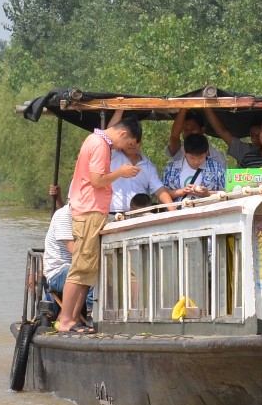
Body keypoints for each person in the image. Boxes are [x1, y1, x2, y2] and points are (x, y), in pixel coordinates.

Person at [56, 115, 141, 335]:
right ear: (122, 134)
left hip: (92, 210)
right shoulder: (100, 144)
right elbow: (97, 180)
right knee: (81, 267)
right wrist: (121, 173)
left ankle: (74, 318)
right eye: (128, 144)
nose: (125, 149)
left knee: (87, 269)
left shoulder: (96, 141)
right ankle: (65, 319)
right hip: (89, 211)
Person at [109, 119, 175, 213]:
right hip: (113, 214)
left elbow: (159, 190)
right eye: (129, 141)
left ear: (141, 142)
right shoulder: (112, 155)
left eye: (136, 141)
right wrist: (120, 110)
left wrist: (173, 210)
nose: (132, 144)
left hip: (140, 216)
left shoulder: (148, 166)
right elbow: (109, 133)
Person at [160, 131, 227, 198]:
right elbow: (162, 194)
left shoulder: (216, 168)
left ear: (207, 152)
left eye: (200, 157)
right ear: (184, 152)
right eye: (192, 158)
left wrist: (208, 193)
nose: (196, 161)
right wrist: (182, 191)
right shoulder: (171, 169)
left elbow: (227, 192)